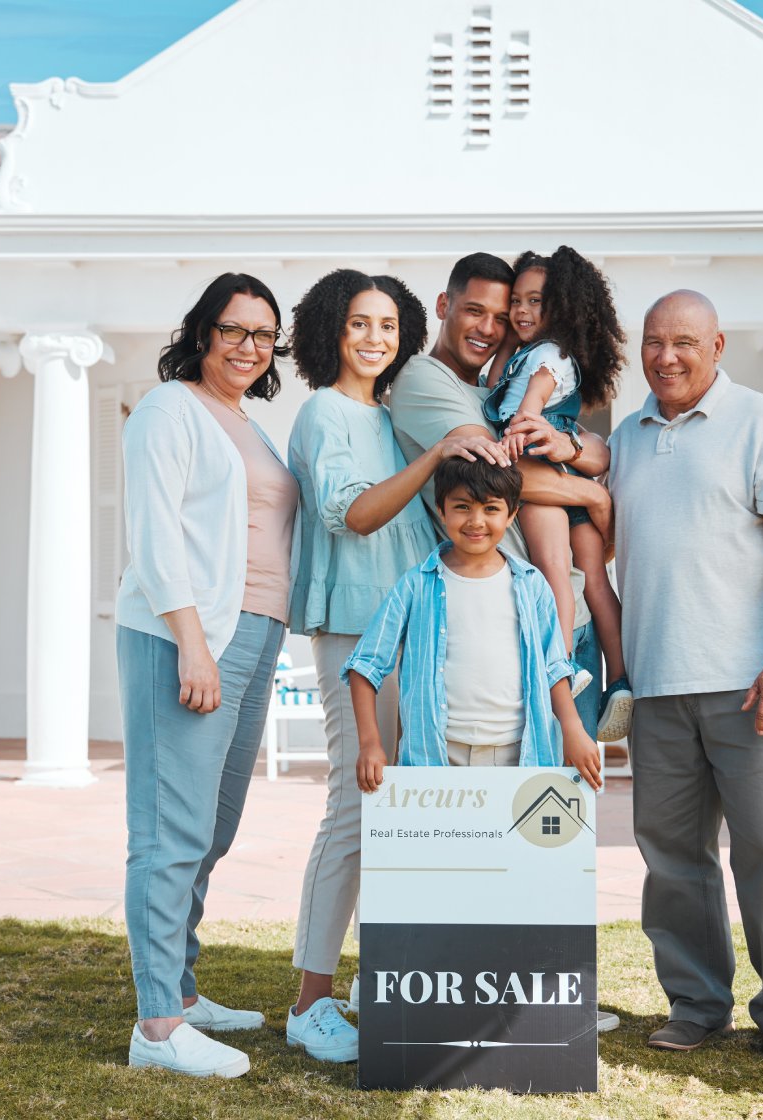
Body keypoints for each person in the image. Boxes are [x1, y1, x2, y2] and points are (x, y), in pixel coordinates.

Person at [282, 269, 506, 1063]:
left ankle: (388, 982)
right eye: (358, 324)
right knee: (354, 806)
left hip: (419, 630)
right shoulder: (324, 413)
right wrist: (437, 452)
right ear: (331, 332)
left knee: (407, 808)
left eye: (387, 325)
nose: (375, 338)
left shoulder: (390, 414)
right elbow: (354, 512)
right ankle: (309, 1004)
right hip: (354, 632)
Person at [608, 290, 763, 1068]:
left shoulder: (761, 421)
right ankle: (697, 1004)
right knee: (672, 860)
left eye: (685, 343)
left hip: (750, 685)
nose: (666, 357)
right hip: (657, 685)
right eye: (654, 342)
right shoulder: (626, 437)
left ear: (719, 346)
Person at [116, 272, 300, 1079]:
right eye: (234, 329)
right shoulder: (169, 409)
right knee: (170, 831)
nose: (248, 347)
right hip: (185, 635)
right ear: (202, 333)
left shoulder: (248, 423)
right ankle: (157, 1027)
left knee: (213, 828)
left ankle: (183, 993)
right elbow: (155, 533)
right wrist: (191, 643)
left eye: (263, 335)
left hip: (255, 632)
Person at [385, 253, 611, 741]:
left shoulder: (496, 387)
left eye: (502, 317)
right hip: (515, 624)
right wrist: (592, 496)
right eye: (474, 311)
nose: (489, 329)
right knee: (521, 783)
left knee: (570, 785)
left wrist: (573, 448)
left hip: (571, 617)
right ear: (444, 305)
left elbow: (597, 450)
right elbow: (493, 474)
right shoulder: (425, 378)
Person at [343, 457, 601, 791]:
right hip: (437, 758)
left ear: (511, 514)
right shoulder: (416, 585)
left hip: (518, 755)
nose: (476, 521)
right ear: (442, 510)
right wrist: (370, 743)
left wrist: (573, 729)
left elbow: (553, 667)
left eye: (491, 509)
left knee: (516, 829)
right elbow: (365, 665)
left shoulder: (531, 584)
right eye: (462, 507)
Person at [482, 246, 632, 742]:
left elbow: (531, 404)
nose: (521, 311)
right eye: (516, 302)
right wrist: (509, 338)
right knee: (595, 579)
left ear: (561, 308)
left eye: (535, 302)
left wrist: (516, 432)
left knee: (555, 572)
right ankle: (621, 680)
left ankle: (562, 664)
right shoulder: (536, 353)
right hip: (570, 474)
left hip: (539, 470)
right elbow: (495, 380)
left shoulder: (548, 358)